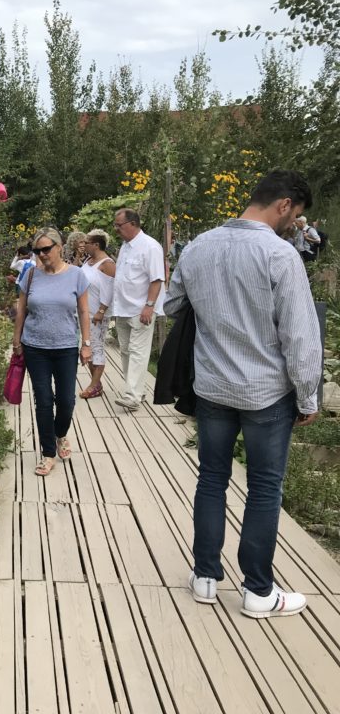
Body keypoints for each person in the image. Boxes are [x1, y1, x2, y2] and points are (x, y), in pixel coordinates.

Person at [166, 169, 321, 619]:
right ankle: (257, 591)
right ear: (285, 204)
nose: (296, 224)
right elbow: (299, 335)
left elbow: (172, 305)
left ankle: (205, 578)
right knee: (264, 488)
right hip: (267, 393)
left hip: (212, 386)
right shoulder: (280, 255)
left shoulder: (198, 247)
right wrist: (308, 397)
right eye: (297, 215)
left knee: (212, 479)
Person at [12, 228, 92, 477]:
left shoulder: (76, 275)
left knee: (66, 400)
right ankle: (48, 453)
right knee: (44, 400)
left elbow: (84, 311)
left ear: (59, 247)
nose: (42, 254)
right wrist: (16, 341)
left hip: (66, 346)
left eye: (47, 249)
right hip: (35, 346)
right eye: (38, 250)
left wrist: (86, 343)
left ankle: (60, 435)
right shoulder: (31, 275)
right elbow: (21, 309)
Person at [110, 208, 165, 411]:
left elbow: (157, 279)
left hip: (140, 309)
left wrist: (149, 306)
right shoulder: (125, 246)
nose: (116, 229)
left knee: (138, 352)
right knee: (125, 350)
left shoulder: (150, 246)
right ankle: (135, 391)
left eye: (119, 225)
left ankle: (132, 396)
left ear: (132, 224)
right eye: (115, 225)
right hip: (123, 307)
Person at [79, 229, 116, 399]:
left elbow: (110, 289)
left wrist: (101, 310)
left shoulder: (107, 263)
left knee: (97, 346)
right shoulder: (88, 260)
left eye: (86, 242)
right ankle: (97, 382)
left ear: (96, 244)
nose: (83, 244)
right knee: (87, 346)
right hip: (84, 311)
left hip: (97, 313)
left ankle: (94, 385)